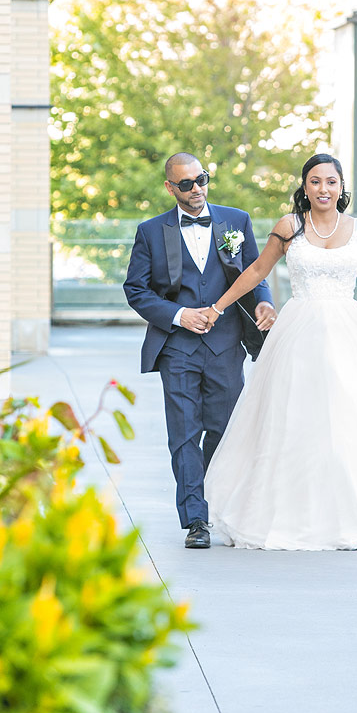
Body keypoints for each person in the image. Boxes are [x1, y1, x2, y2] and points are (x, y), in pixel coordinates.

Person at [202, 153, 357, 551]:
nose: (323, 189)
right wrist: (218, 307)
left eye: (331, 182)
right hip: (298, 333)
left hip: (349, 335)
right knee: (294, 420)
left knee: (349, 422)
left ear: (341, 187)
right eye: (315, 182)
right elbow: (257, 271)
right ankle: (284, 514)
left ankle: (352, 516)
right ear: (304, 186)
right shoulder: (289, 227)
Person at [123, 152, 276, 549]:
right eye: (186, 184)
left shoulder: (236, 221)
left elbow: (254, 273)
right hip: (178, 347)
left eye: (201, 179)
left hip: (226, 343)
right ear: (170, 187)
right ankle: (196, 520)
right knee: (184, 434)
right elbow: (135, 290)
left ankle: (218, 504)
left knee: (224, 430)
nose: (197, 189)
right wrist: (178, 315)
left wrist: (264, 302)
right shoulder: (150, 232)